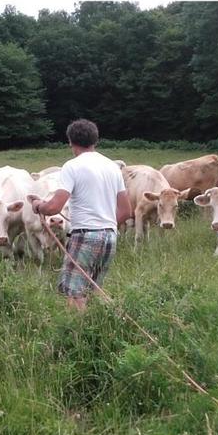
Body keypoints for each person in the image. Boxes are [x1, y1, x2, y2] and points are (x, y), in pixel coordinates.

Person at [28, 119, 132, 311]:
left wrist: (38, 205)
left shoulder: (72, 166)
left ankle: (78, 336)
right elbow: (126, 211)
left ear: (70, 142)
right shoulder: (112, 167)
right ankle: (97, 330)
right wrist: (103, 225)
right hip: (110, 236)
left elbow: (54, 207)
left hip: (85, 235)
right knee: (93, 291)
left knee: (74, 292)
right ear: (96, 141)